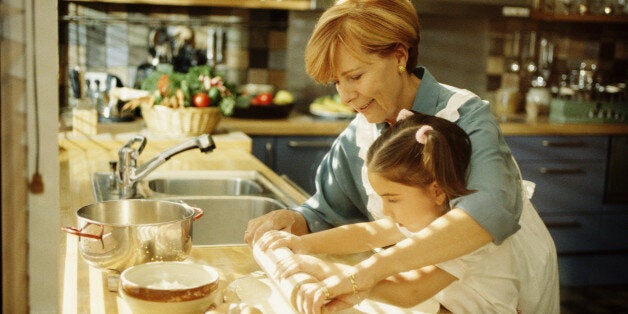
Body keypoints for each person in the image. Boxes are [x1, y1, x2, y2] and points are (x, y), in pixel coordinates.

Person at [244, 0, 529, 310]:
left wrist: (363, 275)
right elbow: (332, 211)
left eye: (354, 76)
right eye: (336, 82)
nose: (345, 96)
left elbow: (484, 215)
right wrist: (295, 222)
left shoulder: (465, 115)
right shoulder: (361, 131)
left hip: (493, 294)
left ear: (399, 56)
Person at [257, 110, 559, 313]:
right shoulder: (430, 213)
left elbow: (409, 292)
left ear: (437, 190)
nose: (385, 210)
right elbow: (368, 234)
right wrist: (300, 244)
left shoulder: (463, 237)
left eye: (392, 198)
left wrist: (328, 273)